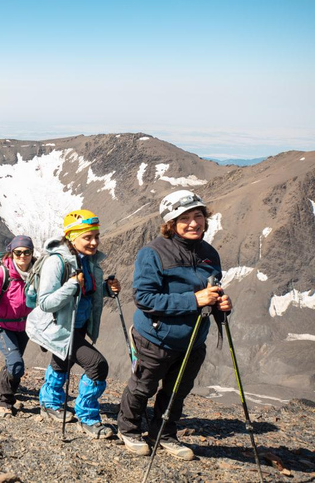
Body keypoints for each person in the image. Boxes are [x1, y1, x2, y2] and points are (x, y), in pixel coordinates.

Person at [117, 190, 232, 460]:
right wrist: (194, 300)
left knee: (177, 390)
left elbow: (211, 289)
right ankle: (129, 429)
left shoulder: (209, 254)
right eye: (185, 218)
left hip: (193, 339)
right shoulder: (153, 252)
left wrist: (221, 304)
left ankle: (163, 434)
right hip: (156, 337)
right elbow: (144, 298)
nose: (194, 223)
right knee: (143, 386)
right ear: (171, 223)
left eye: (198, 215)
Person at [26, 210, 120, 439]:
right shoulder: (56, 262)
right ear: (71, 237)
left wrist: (107, 289)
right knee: (97, 365)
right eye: (87, 237)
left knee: (63, 360)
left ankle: (49, 403)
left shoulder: (88, 261)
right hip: (57, 326)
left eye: (96, 236)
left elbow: (86, 292)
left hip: (74, 325)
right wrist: (71, 286)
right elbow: (46, 303)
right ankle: (87, 418)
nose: (94, 242)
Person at [0, 235, 35, 417]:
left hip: (24, 327)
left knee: (13, 364)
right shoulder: (2, 273)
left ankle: (7, 395)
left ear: (32, 253)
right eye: (18, 252)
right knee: (16, 363)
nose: (22, 256)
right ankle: (3, 400)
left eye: (26, 252)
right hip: (2, 326)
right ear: (12, 253)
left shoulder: (35, 274)